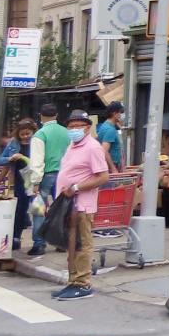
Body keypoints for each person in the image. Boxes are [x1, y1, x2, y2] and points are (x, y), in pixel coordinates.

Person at [51, 111, 110, 300]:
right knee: (71, 244)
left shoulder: (93, 147)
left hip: (81, 204)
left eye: (79, 126)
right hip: (68, 204)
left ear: (87, 127)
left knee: (82, 244)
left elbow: (103, 176)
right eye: (71, 126)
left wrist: (76, 187)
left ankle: (82, 284)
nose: (74, 129)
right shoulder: (72, 145)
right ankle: (73, 281)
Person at [27, 104, 70, 257]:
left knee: (39, 210)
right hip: (65, 174)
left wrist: (35, 181)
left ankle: (39, 243)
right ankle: (62, 241)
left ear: (41, 116)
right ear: (56, 115)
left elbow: (37, 160)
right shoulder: (67, 133)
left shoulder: (40, 135)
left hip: (47, 175)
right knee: (62, 209)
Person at [0, 119, 37, 250]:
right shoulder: (13, 143)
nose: (25, 137)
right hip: (20, 181)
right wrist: (10, 158)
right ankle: (16, 238)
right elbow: (0, 159)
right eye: (22, 134)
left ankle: (39, 241)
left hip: (35, 179)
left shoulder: (38, 142)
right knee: (20, 210)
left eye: (28, 134)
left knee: (38, 210)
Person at [97, 102, 124, 171]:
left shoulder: (105, 126)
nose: (122, 115)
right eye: (121, 112)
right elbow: (104, 151)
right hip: (111, 167)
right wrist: (113, 169)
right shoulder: (110, 130)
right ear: (114, 113)